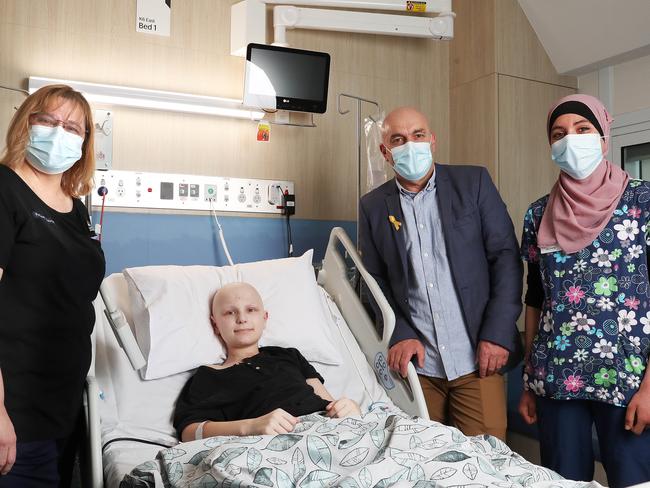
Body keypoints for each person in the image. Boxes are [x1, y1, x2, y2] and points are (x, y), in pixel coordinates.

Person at [358, 106, 522, 441]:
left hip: (478, 357)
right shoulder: (373, 206)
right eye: (398, 139)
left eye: (418, 135)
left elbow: (505, 257)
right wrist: (399, 333)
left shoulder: (473, 183)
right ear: (385, 152)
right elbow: (373, 280)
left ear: (432, 140)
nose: (410, 145)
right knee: (419, 460)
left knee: (485, 466)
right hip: (418, 368)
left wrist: (497, 332)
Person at [518, 94, 650, 488]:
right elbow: (535, 299)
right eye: (559, 134)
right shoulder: (537, 214)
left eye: (582, 129)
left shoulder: (642, 201)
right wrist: (529, 380)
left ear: (604, 138)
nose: (570, 140)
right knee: (563, 483)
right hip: (556, 381)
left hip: (627, 380)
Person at [0, 85, 105, 486]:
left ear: (85, 141)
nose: (59, 132)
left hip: (62, 409)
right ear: (25, 123)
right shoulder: (5, 189)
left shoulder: (74, 208)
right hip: (15, 412)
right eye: (47, 120)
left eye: (73, 127)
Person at [173, 282, 361, 442]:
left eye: (251, 310)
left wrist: (348, 408)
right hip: (271, 443)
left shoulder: (288, 355)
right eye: (230, 313)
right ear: (215, 325)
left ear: (265, 318)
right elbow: (189, 432)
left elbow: (328, 402)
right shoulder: (209, 376)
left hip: (325, 429)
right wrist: (251, 426)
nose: (242, 318)